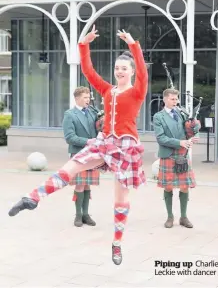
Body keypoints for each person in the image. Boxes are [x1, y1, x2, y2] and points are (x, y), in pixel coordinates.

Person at [8, 25, 148, 266]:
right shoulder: (107, 90)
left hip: (125, 145)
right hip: (104, 141)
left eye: (124, 68)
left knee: (120, 198)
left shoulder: (137, 91)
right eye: (117, 68)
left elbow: (144, 73)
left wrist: (133, 46)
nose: (119, 71)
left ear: (132, 72)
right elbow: (88, 71)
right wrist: (84, 45)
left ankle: (116, 243)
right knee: (71, 166)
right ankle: (32, 198)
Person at [153, 88, 199, 229]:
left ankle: (183, 217)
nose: (176, 102)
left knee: (185, 187)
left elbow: (188, 130)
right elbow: (161, 138)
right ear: (165, 99)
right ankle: (170, 217)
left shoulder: (181, 113)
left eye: (177, 99)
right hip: (168, 154)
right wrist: (179, 142)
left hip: (182, 154)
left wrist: (194, 130)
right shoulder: (158, 117)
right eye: (173, 99)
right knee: (168, 187)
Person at [62, 86, 100, 227]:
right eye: (85, 97)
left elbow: (99, 128)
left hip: (92, 154)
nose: (88, 100)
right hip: (79, 154)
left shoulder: (93, 112)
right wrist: (87, 141)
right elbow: (69, 137)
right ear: (77, 98)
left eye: (89, 97)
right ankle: (78, 216)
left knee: (87, 184)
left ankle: (86, 215)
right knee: (80, 184)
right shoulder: (70, 114)